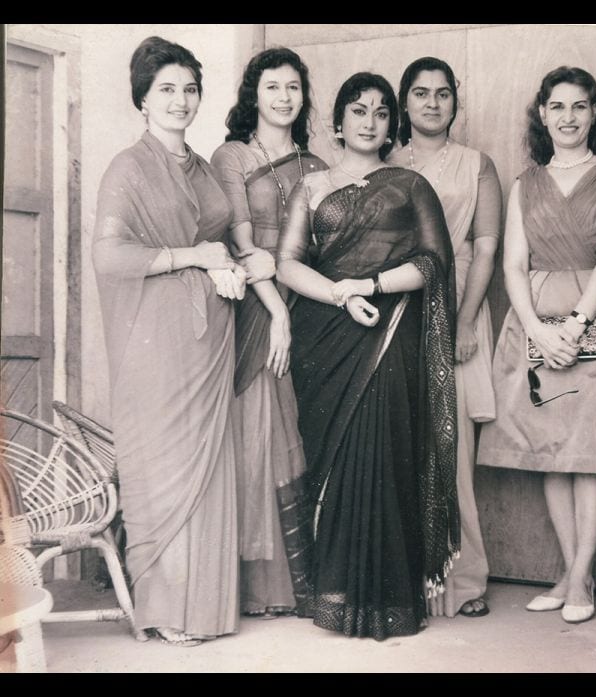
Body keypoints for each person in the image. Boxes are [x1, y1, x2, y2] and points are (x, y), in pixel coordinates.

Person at [477, 66, 596, 624]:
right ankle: (570, 570)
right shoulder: (524, 182)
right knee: (549, 452)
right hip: (536, 321)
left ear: (594, 113)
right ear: (542, 114)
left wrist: (576, 324)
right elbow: (512, 264)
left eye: (579, 106)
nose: (568, 117)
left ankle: (580, 579)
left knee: (590, 452)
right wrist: (537, 329)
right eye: (557, 107)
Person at [275, 72, 459, 640]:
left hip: (386, 331)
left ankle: (386, 600)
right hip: (322, 337)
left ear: (391, 124)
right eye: (359, 110)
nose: (371, 120)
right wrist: (337, 293)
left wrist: (369, 287)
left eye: (381, 112)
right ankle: (333, 593)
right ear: (338, 121)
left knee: (380, 453)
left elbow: (434, 262)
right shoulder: (312, 186)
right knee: (329, 458)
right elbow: (287, 263)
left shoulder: (409, 184)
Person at [93, 36, 243, 646]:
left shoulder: (204, 167)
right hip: (154, 343)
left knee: (205, 472)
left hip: (209, 340)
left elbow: (220, 241)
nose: (180, 101)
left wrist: (227, 264)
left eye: (189, 89)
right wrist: (196, 256)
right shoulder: (127, 168)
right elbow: (108, 256)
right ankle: (164, 608)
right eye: (166, 90)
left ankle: (201, 608)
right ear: (142, 98)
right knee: (163, 469)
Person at [211, 48, 328, 618]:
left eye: (293, 88)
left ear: (304, 96)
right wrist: (276, 312)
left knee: (301, 428)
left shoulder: (316, 165)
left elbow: (323, 249)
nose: (284, 97)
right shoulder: (231, 156)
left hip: (307, 305)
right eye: (272, 87)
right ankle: (255, 586)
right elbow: (238, 238)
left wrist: (298, 301)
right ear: (253, 95)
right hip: (257, 311)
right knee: (257, 426)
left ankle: (299, 582)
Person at [388, 56, 501, 619]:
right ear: (404, 103)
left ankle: (463, 581)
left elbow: (485, 248)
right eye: (420, 93)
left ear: (456, 100)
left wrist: (463, 319)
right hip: (395, 311)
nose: (432, 103)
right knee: (401, 444)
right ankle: (407, 578)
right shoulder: (383, 162)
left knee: (452, 450)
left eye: (443, 94)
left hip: (455, 305)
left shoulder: (476, 164)